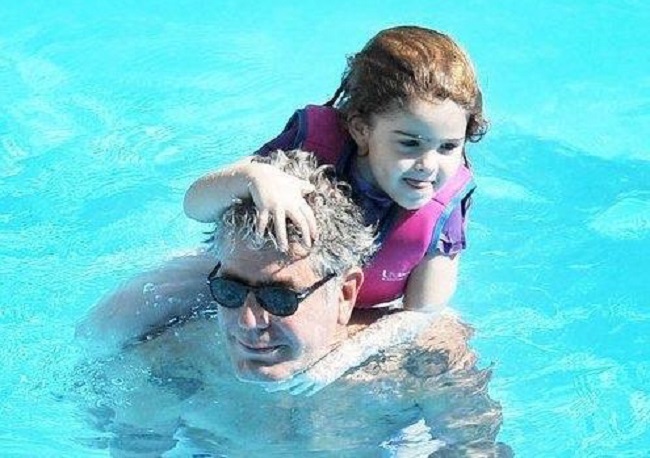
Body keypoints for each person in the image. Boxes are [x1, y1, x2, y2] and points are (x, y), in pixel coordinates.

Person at [82, 25, 488, 394]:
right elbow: (196, 206)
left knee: (444, 340)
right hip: (256, 276)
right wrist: (251, 179)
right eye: (410, 143)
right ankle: (87, 373)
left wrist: (339, 360)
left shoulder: (443, 206)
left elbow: (420, 314)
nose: (429, 165)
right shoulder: (314, 143)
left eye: (448, 146)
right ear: (362, 129)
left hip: (363, 307)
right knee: (133, 304)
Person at [75, 151, 509, 456]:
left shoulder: (423, 362)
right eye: (229, 291)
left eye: (280, 297)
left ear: (344, 293)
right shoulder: (170, 369)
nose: (248, 322)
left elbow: (475, 450)